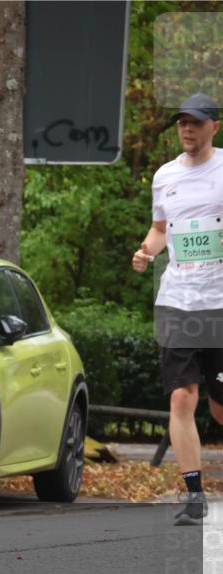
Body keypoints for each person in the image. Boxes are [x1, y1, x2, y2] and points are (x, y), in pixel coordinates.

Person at [131, 92, 223, 526]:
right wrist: (147, 252)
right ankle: (194, 496)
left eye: (196, 122)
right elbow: (160, 228)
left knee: (219, 406)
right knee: (182, 397)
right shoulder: (164, 176)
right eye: (182, 122)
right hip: (178, 301)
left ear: (214, 127)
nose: (187, 128)